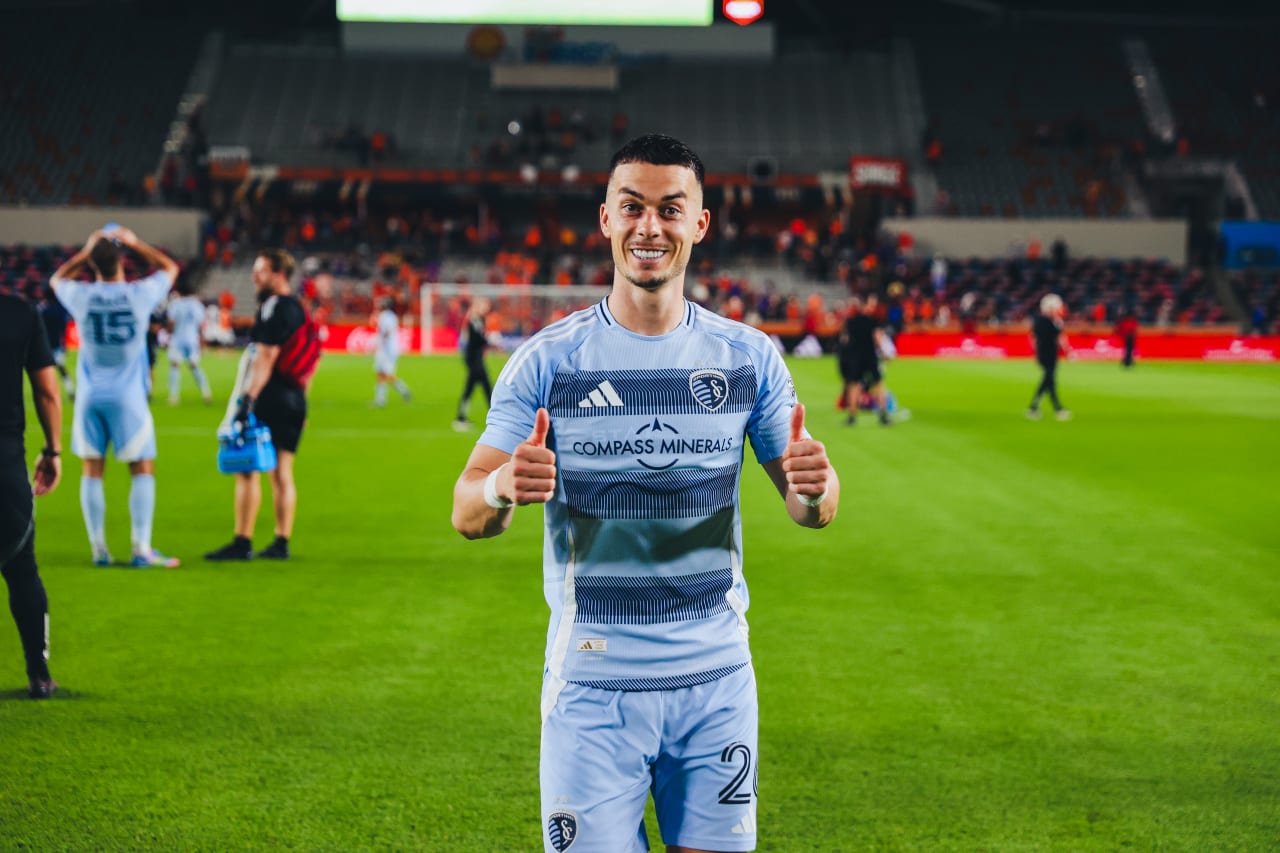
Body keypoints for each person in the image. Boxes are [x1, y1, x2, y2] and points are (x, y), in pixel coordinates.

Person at [451, 134, 839, 853]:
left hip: (717, 683)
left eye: (669, 208)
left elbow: (808, 502)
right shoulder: (548, 362)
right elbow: (466, 506)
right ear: (605, 219)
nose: (649, 227)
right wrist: (505, 484)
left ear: (700, 223)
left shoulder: (748, 357)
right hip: (594, 689)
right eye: (632, 207)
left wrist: (817, 490)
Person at [50, 226, 182, 568]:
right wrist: (137, 242)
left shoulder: (81, 295)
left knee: (92, 470)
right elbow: (170, 268)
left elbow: (55, 280)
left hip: (90, 396)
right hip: (128, 397)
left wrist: (87, 251)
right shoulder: (139, 293)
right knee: (142, 468)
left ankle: (99, 550)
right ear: (122, 260)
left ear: (93, 266)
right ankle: (141, 549)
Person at [205, 249, 319, 562]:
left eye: (262, 271)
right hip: (295, 397)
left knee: (247, 469)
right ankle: (281, 541)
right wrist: (301, 401)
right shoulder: (298, 308)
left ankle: (242, 541)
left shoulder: (273, 307)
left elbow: (265, 358)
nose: (255, 277)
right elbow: (309, 361)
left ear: (279, 274)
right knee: (283, 473)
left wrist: (248, 400)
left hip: (270, 396)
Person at [0, 290, 62, 698]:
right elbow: (47, 392)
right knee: (22, 568)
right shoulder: (20, 312)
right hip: (4, 465)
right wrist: (52, 450)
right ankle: (39, 673)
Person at [837, 295, 891, 426]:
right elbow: (877, 338)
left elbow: (845, 340)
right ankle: (883, 415)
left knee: (854, 385)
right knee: (878, 384)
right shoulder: (873, 321)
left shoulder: (851, 321)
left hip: (855, 357)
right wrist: (884, 353)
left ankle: (852, 416)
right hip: (870, 355)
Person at [166, 278, 214, 405]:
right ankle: (206, 393)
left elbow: (171, 323)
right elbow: (201, 325)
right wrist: (202, 341)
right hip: (192, 338)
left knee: (175, 365)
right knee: (194, 366)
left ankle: (173, 396)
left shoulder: (175, 304)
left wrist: (169, 331)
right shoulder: (196, 304)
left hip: (178, 338)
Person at [1027, 293, 1072, 421]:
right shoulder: (1054, 322)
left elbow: (1033, 339)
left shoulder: (1039, 321)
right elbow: (1060, 338)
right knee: (1048, 380)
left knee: (1049, 381)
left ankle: (1051, 408)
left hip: (1044, 354)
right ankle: (1040, 407)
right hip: (1049, 354)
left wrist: (1035, 354)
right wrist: (1068, 352)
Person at [451, 296, 493, 431]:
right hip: (474, 359)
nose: (487, 309)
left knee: (477, 388)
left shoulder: (478, 320)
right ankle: (460, 419)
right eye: (485, 306)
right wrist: (490, 342)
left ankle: (461, 418)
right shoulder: (473, 320)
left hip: (476, 358)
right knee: (483, 387)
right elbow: (476, 339)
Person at [36, 284, 75, 398]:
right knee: (61, 369)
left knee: (43, 371)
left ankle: (48, 392)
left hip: (44, 344)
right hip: (58, 344)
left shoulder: (42, 310)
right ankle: (70, 389)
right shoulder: (61, 309)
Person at [371, 298, 412, 407]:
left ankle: (404, 391)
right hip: (388, 349)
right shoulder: (391, 316)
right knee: (380, 373)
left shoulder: (385, 316)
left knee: (386, 374)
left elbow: (387, 331)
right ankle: (381, 399)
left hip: (387, 350)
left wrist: (380, 342)